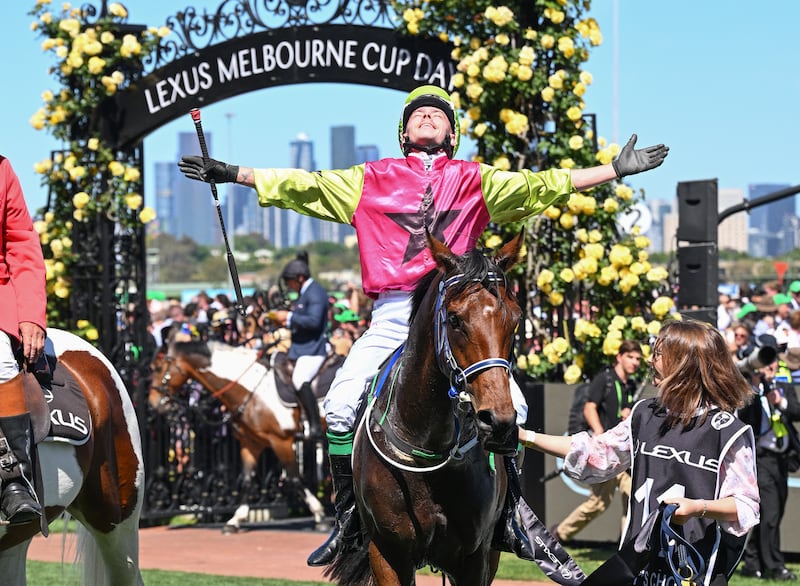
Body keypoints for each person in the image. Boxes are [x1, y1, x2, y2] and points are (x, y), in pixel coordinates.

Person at [177, 84, 669, 566]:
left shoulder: (477, 179)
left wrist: (613, 170)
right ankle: (349, 518)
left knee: (512, 405)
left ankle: (513, 513)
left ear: (452, 134)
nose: (428, 116)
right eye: (418, 113)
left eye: (438, 113)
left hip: (454, 310)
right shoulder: (369, 177)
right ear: (403, 132)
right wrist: (231, 172)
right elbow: (305, 186)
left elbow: (544, 185)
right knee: (342, 402)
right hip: (396, 315)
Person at [522, 320, 759, 585]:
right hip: (639, 570)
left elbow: (745, 506)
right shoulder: (645, 413)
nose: (649, 360)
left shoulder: (727, 430)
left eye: (658, 353)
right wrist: (525, 437)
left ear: (684, 363)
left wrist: (698, 508)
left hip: (696, 571)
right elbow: (595, 452)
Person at [551, 339, 641, 543]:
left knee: (632, 497)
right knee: (599, 503)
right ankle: (560, 534)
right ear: (619, 356)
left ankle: (627, 546)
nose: (634, 362)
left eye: (637, 359)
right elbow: (589, 407)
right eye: (630, 357)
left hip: (623, 454)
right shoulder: (605, 378)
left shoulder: (630, 384)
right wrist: (601, 436)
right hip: (605, 452)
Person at [0, 155, 47, 525]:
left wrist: (30, 315)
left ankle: (14, 481)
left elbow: (23, 247)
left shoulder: (2, 168)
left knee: (0, 363)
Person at [737, 350, 800, 581]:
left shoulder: (783, 386)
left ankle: (752, 563)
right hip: (760, 458)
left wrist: (780, 401)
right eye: (765, 363)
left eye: (772, 362)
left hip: (781, 458)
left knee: (773, 512)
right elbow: (743, 415)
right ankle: (775, 565)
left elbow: (796, 411)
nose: (770, 366)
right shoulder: (749, 388)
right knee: (770, 514)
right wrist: (755, 385)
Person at [267, 252, 329, 439]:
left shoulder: (315, 292)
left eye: (290, 281)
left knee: (299, 379)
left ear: (300, 278)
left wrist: (288, 317)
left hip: (313, 349)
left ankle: (316, 425)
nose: (288, 285)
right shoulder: (305, 293)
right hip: (301, 347)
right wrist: (284, 322)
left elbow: (314, 321)